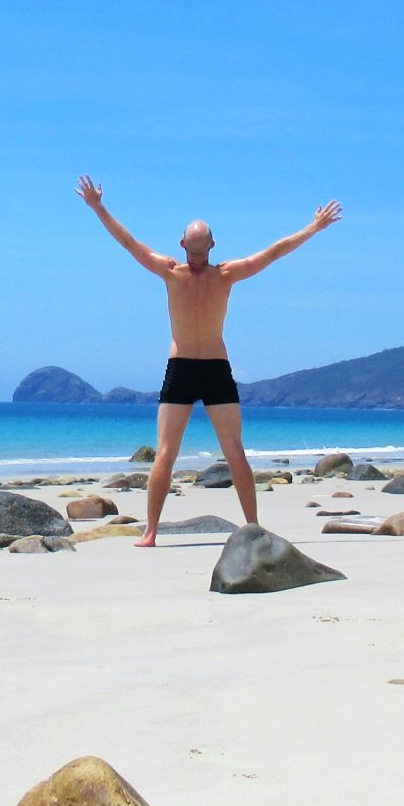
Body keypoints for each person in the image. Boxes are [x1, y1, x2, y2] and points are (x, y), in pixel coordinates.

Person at [75, 176, 343, 545]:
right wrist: (314, 227)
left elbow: (128, 243)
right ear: (212, 244)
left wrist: (98, 207)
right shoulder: (226, 274)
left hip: (185, 367)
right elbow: (274, 252)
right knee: (228, 451)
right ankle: (247, 526)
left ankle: (153, 532)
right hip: (211, 367)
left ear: (183, 244)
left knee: (170, 453)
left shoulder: (170, 271)